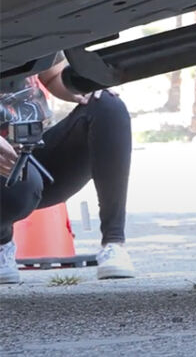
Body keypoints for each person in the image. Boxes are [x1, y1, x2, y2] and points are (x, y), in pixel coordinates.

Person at [1, 55, 136, 283]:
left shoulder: (27, 22)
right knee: (23, 185)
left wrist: (82, 88)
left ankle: (114, 244)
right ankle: (2, 241)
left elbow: (53, 74)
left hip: (35, 147)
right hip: (11, 177)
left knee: (107, 106)